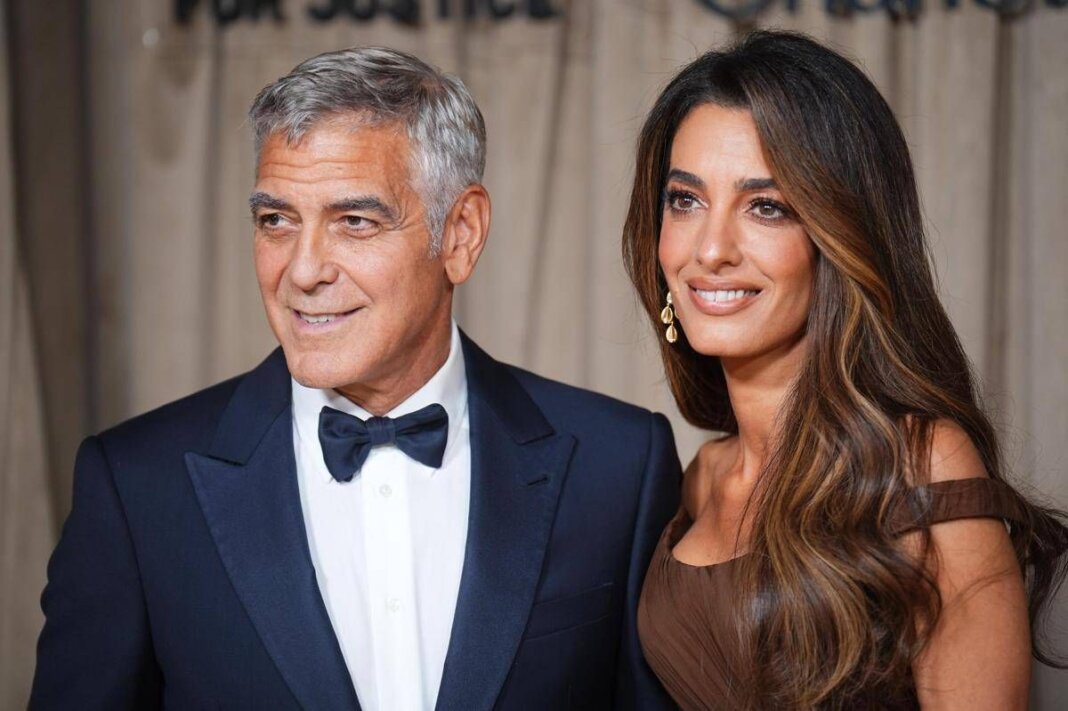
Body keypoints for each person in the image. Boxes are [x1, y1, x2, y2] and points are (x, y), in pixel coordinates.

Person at [31, 47, 680, 710]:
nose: (303, 270)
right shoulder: (137, 487)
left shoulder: (619, 466)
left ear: (461, 234)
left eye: (354, 222)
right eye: (276, 220)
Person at [623, 31, 1068, 709]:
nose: (710, 250)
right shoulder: (700, 482)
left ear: (840, 236)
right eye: (685, 200)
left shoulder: (922, 462)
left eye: (766, 206)